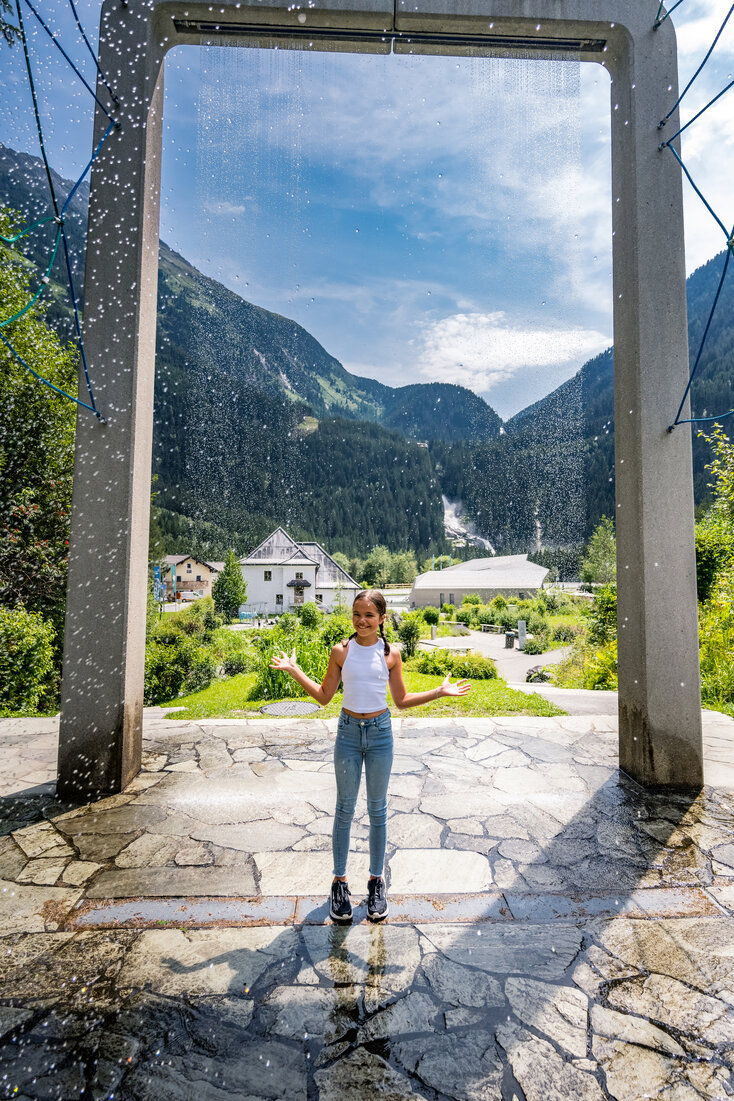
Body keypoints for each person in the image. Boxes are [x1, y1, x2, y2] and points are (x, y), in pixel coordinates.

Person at [270, 589, 470, 923]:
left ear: (381, 618)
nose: (361, 621)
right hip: (348, 732)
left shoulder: (391, 653)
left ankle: (376, 882)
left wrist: (439, 691)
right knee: (344, 809)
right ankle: (340, 882)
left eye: (369, 616)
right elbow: (323, 697)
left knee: (378, 810)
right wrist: (294, 670)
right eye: (356, 614)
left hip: (380, 733)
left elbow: (402, 700)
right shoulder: (341, 651)